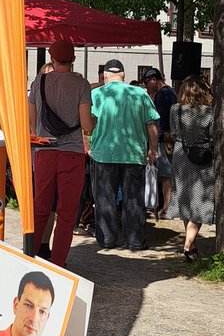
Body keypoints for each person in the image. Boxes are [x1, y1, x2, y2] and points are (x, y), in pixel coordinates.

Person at [27, 39, 94, 265]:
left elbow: (32, 123)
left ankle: (31, 256)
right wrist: (94, 121)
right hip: (72, 154)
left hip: (45, 152)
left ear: (51, 58)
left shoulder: (39, 81)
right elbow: (87, 125)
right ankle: (58, 262)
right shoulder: (82, 85)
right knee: (66, 214)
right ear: (73, 59)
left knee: (40, 208)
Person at [89, 59, 160, 252]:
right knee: (134, 200)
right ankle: (135, 240)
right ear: (123, 76)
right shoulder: (140, 94)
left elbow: (88, 124)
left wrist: (87, 143)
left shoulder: (96, 94)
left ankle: (107, 239)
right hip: (134, 153)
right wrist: (153, 149)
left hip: (103, 153)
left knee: (104, 199)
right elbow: (151, 125)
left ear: (104, 76)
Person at [166, 75, 215, 260]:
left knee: (185, 200)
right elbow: (212, 136)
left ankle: (191, 247)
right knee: (201, 203)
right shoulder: (209, 113)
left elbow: (174, 132)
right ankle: (188, 246)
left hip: (181, 156)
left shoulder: (175, 110)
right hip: (202, 159)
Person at [142, 67, 177, 218]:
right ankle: (165, 207)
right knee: (166, 176)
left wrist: (154, 143)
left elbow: (160, 121)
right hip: (169, 139)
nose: (147, 87)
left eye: (147, 83)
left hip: (164, 141)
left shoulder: (163, 95)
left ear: (154, 80)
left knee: (165, 176)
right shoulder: (171, 92)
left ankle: (167, 208)